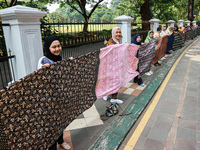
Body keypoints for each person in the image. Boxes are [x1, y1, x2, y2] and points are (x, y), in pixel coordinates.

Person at [38, 36, 72, 150]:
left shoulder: (61, 59)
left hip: (60, 97)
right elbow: (39, 80)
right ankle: (52, 148)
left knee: (60, 122)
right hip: (48, 101)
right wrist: (45, 71)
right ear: (48, 48)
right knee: (51, 127)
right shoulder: (43, 60)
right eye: (54, 47)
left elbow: (65, 75)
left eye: (59, 46)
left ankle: (61, 141)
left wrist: (71, 64)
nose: (57, 49)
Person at [103, 27, 123, 104]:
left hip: (118, 65)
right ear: (113, 33)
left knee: (115, 81)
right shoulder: (110, 43)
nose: (118, 34)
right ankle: (113, 97)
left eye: (119, 32)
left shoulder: (118, 42)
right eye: (116, 32)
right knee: (113, 81)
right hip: (111, 66)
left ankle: (109, 94)